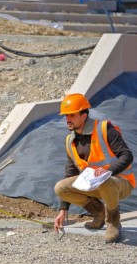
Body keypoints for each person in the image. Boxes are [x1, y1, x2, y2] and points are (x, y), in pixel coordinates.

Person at [54, 93, 135, 243]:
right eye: (66, 116)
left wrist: (107, 171)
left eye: (71, 115)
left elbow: (127, 155)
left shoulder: (104, 128)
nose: (67, 119)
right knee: (60, 187)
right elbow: (70, 173)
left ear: (84, 116)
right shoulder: (70, 141)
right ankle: (99, 213)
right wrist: (63, 209)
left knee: (105, 180)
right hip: (96, 184)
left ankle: (113, 221)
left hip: (120, 183)